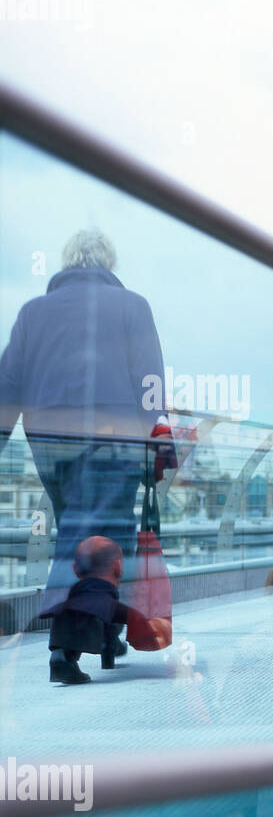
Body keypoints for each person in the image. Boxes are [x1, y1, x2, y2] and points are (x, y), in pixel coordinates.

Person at [0, 230, 165, 670]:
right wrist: (155, 437)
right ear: (108, 262)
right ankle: (66, 643)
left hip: (49, 439)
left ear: (67, 261)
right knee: (97, 540)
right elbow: (149, 382)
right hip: (114, 436)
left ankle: (107, 636)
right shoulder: (133, 305)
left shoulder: (33, 312)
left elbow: (8, 385)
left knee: (88, 529)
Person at [46, 535, 166, 684]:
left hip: (64, 622)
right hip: (92, 617)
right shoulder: (101, 593)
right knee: (110, 615)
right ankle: (72, 659)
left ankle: (61, 655)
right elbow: (119, 611)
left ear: (75, 569)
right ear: (117, 567)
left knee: (104, 619)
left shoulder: (73, 593)